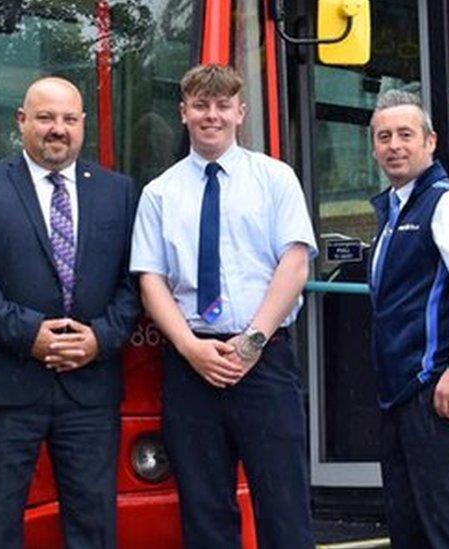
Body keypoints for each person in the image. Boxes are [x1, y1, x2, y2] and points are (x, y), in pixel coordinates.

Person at [0, 76, 140, 549]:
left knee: (94, 526)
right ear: (22, 122)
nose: (58, 129)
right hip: (6, 384)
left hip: (90, 389)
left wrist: (100, 339)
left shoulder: (120, 192)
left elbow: (136, 281)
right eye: (46, 117)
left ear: (83, 125)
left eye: (69, 119)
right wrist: (29, 334)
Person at [130, 64, 317, 549]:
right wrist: (191, 348)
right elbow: (152, 282)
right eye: (200, 106)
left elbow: (294, 265)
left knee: (284, 506)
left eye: (221, 105)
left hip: (265, 361)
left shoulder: (275, 179)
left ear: (240, 111)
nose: (211, 115)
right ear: (184, 113)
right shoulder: (159, 194)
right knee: (204, 510)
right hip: (191, 366)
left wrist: (252, 342)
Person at [368, 89, 449, 548]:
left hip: (439, 392)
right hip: (399, 397)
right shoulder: (391, 210)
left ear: (431, 141)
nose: (394, 145)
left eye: (406, 134)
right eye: (384, 136)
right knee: (412, 528)